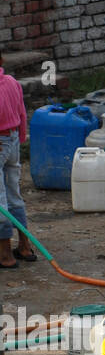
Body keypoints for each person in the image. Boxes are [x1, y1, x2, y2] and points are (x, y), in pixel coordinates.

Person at [0, 50, 36, 268]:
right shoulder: (12, 82)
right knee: (14, 195)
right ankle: (24, 246)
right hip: (12, 141)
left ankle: (5, 255)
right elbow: (22, 113)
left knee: (0, 201)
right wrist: (19, 140)